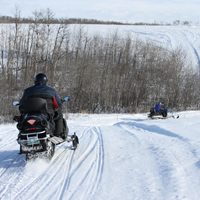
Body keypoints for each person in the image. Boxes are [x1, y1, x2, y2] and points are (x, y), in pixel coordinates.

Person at [19, 72, 68, 140]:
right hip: (47, 114)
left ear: (35, 81)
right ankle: (58, 134)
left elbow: (22, 104)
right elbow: (58, 104)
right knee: (59, 115)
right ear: (46, 81)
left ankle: (22, 134)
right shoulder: (51, 91)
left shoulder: (27, 91)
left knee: (21, 119)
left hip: (30, 114)